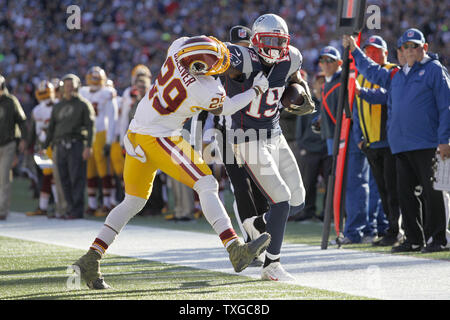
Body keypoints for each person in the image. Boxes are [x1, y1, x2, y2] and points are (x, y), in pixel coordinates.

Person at [72, 35, 271, 289]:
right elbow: (228, 107)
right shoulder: (206, 89)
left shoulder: (177, 48)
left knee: (133, 201)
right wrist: (257, 89)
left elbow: (196, 44)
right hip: (160, 137)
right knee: (207, 183)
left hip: (136, 131)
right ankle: (235, 248)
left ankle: (91, 258)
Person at [224, 14, 314, 281]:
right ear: (255, 40)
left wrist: (300, 90)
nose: (274, 47)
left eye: (279, 41)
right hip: (246, 136)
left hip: (275, 134)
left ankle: (256, 226)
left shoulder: (291, 57)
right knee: (282, 199)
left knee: (297, 200)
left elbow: (296, 78)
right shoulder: (242, 58)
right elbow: (216, 57)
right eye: (269, 40)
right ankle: (271, 266)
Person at [343, 28, 450, 253]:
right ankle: (413, 239)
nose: (409, 51)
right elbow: (371, 70)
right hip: (400, 146)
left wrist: (444, 140)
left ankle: (437, 238)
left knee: (432, 193)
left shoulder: (434, 70)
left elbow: (446, 106)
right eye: (405, 47)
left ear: (425, 48)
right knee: (405, 195)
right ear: (400, 51)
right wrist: (354, 50)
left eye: (414, 46)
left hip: (428, 143)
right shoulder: (398, 75)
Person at [318, 45, 375, 244]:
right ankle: (361, 228)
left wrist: (358, 136)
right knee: (345, 186)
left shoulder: (344, 81)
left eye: (329, 60)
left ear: (339, 63)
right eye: (322, 60)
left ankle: (357, 231)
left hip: (349, 139)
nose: (325, 64)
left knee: (355, 184)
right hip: (335, 140)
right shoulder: (328, 83)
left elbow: (354, 110)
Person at [352, 35, 402, 246]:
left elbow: (382, 95)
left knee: (392, 190)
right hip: (371, 144)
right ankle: (388, 229)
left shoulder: (392, 71)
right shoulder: (361, 75)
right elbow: (356, 111)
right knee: (382, 190)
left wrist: (361, 92)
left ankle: (395, 230)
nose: (371, 54)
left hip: (390, 143)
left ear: (385, 53)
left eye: (375, 51)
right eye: (368, 51)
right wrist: (359, 139)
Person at [43, 73, 95, 220]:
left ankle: (77, 211)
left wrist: (88, 146)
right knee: (63, 178)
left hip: (76, 144)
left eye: (72, 85)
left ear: (77, 86)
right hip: (59, 145)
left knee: (76, 178)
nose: (69, 88)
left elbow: (91, 127)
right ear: (62, 87)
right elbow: (51, 128)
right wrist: (45, 146)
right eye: (66, 85)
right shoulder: (58, 106)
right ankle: (68, 209)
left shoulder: (83, 104)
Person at [291, 71, 331, 222]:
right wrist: (301, 144)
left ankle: (327, 213)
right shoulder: (309, 102)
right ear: (314, 84)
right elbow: (300, 126)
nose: (321, 85)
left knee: (329, 182)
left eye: (324, 81)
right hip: (309, 148)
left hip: (326, 147)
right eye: (319, 82)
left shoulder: (331, 99)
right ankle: (308, 211)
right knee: (308, 182)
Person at [79, 66, 118, 217]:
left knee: (103, 168)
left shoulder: (107, 93)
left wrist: (109, 140)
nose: (95, 81)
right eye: (93, 78)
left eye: (97, 78)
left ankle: (107, 203)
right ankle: (92, 204)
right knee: (90, 168)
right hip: (88, 134)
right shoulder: (83, 92)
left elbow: (112, 118)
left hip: (101, 132)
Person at [26, 80, 59, 217]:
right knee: (46, 176)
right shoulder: (37, 110)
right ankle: (44, 206)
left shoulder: (57, 105)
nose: (45, 96)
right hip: (42, 146)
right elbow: (35, 130)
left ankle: (55, 206)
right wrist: (30, 145)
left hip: (53, 145)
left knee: (53, 177)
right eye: (42, 94)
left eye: (46, 93)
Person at [0, 74, 27, 220]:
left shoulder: (11, 102)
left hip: (8, 143)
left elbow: (22, 121)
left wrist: (23, 140)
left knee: (4, 177)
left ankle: (2, 210)